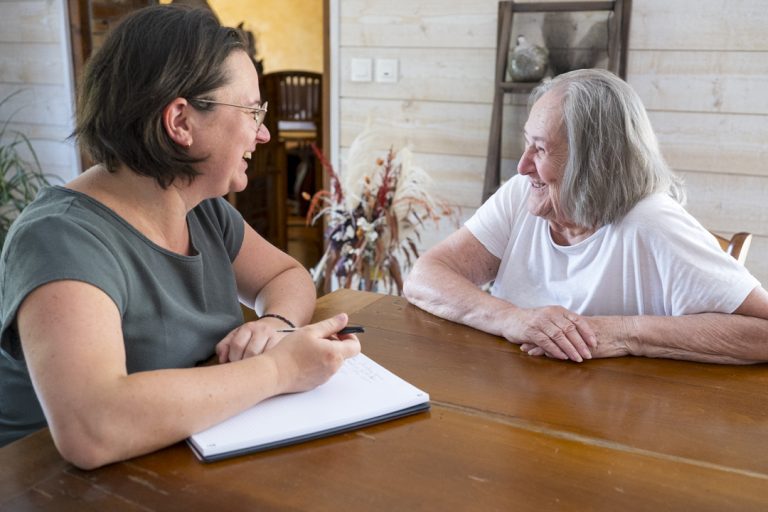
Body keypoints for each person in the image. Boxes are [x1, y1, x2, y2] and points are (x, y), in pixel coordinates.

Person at [0, 5, 360, 468]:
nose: (264, 133)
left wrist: (276, 326)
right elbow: (92, 427)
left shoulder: (202, 209)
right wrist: (278, 368)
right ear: (181, 123)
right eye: (252, 111)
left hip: (176, 463)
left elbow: (287, 275)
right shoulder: (59, 238)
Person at [404, 68, 768, 364]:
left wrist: (624, 333)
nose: (522, 165)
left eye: (541, 149)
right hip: (514, 400)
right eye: (527, 142)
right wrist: (514, 319)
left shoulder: (652, 222)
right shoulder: (522, 194)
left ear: (592, 164)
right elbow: (425, 277)